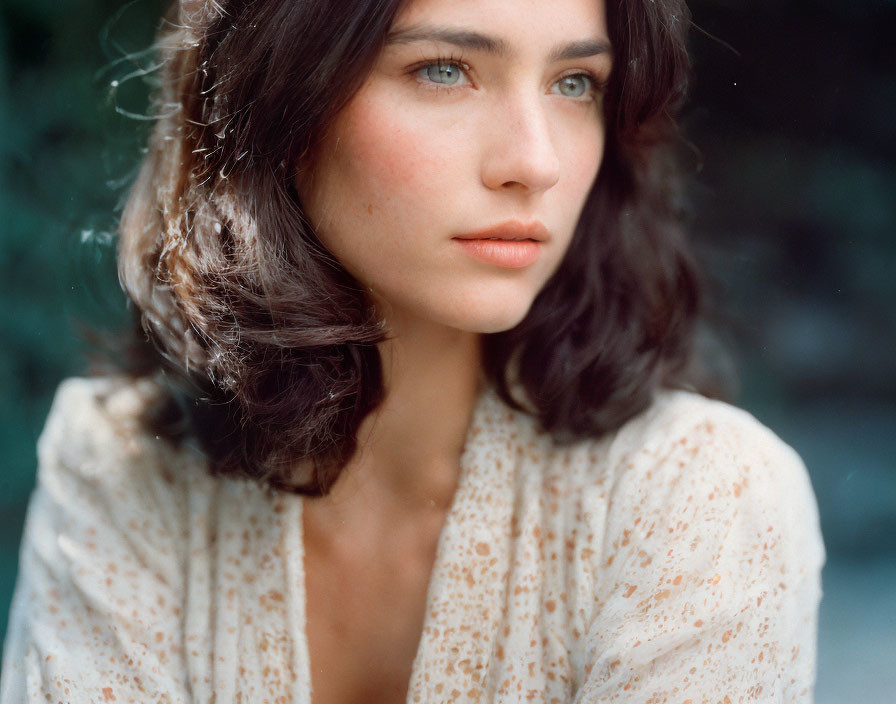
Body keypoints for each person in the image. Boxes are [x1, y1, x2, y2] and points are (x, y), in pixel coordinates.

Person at [1, 0, 825, 701]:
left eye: (575, 83)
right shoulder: (121, 465)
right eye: (444, 70)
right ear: (278, 95)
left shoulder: (703, 500)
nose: (533, 163)